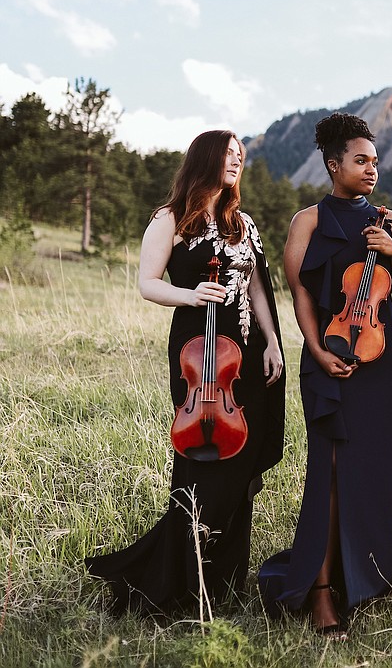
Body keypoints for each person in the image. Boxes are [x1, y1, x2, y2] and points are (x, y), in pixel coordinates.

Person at [85, 130, 286, 616]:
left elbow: (257, 286)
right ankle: (175, 577)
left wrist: (274, 341)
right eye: (230, 154)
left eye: (242, 156)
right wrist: (192, 295)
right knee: (205, 462)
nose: (238, 161)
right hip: (200, 355)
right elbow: (148, 284)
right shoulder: (170, 218)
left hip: (247, 354)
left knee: (243, 466)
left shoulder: (243, 223)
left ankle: (223, 581)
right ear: (207, 158)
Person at [257, 113, 392, 639]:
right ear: (333, 164)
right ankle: (322, 588)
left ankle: (361, 580)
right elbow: (301, 292)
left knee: (373, 470)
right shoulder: (306, 221)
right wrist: (318, 350)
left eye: (376, 161)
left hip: (383, 362)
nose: (372, 169)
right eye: (361, 160)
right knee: (326, 472)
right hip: (328, 355)